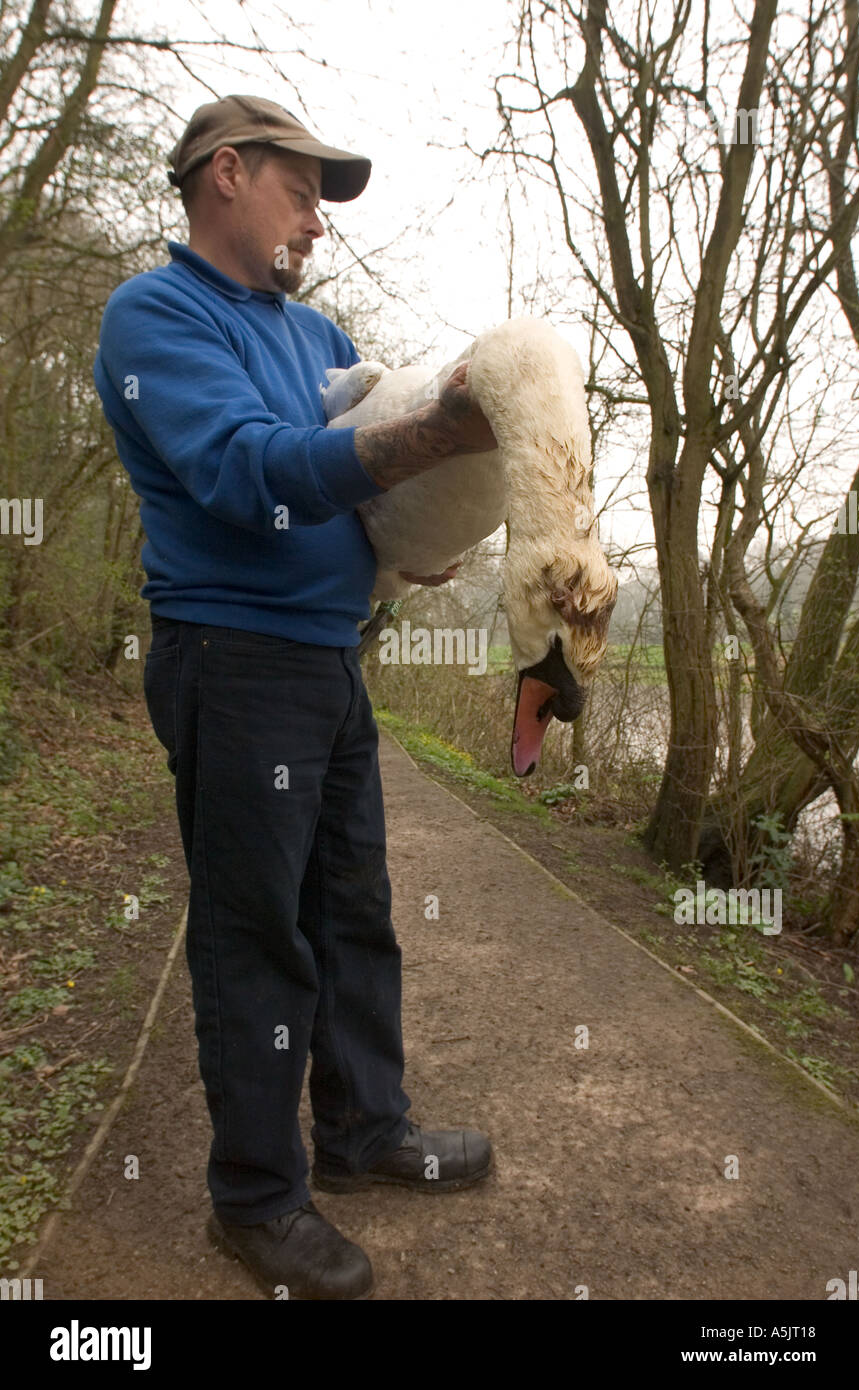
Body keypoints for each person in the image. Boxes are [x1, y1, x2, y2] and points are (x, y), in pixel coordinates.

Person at [93, 94, 497, 1301]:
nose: (318, 220)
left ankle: (368, 1130)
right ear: (226, 173)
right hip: (233, 656)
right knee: (257, 934)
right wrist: (426, 438)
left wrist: (414, 538)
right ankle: (257, 1197)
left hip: (329, 655)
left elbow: (353, 499)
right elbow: (246, 473)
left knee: (353, 909)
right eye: (303, 188)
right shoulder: (154, 315)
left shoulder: (316, 331)